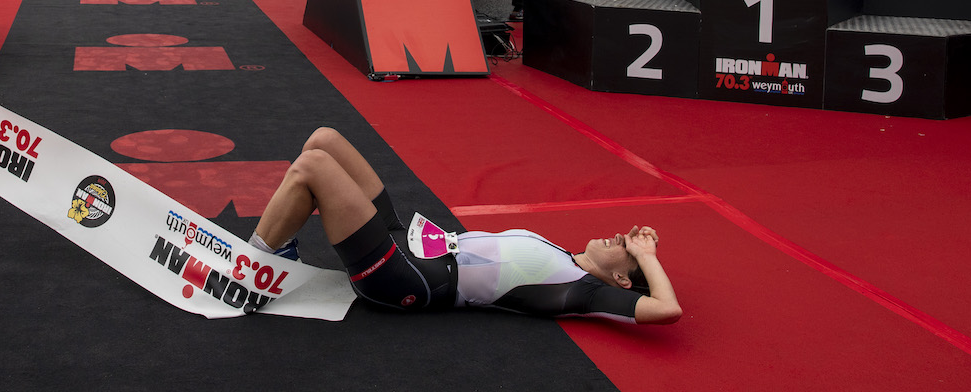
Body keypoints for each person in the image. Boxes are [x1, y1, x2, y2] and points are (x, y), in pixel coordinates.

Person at [250, 128, 682, 323]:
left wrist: (647, 255)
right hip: (407, 242)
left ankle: (250, 270)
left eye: (625, 249)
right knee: (325, 140)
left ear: (622, 278)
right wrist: (637, 251)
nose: (621, 236)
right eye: (628, 238)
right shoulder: (563, 255)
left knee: (313, 166)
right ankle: (281, 250)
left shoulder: (582, 290)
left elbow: (667, 310)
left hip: (407, 278)